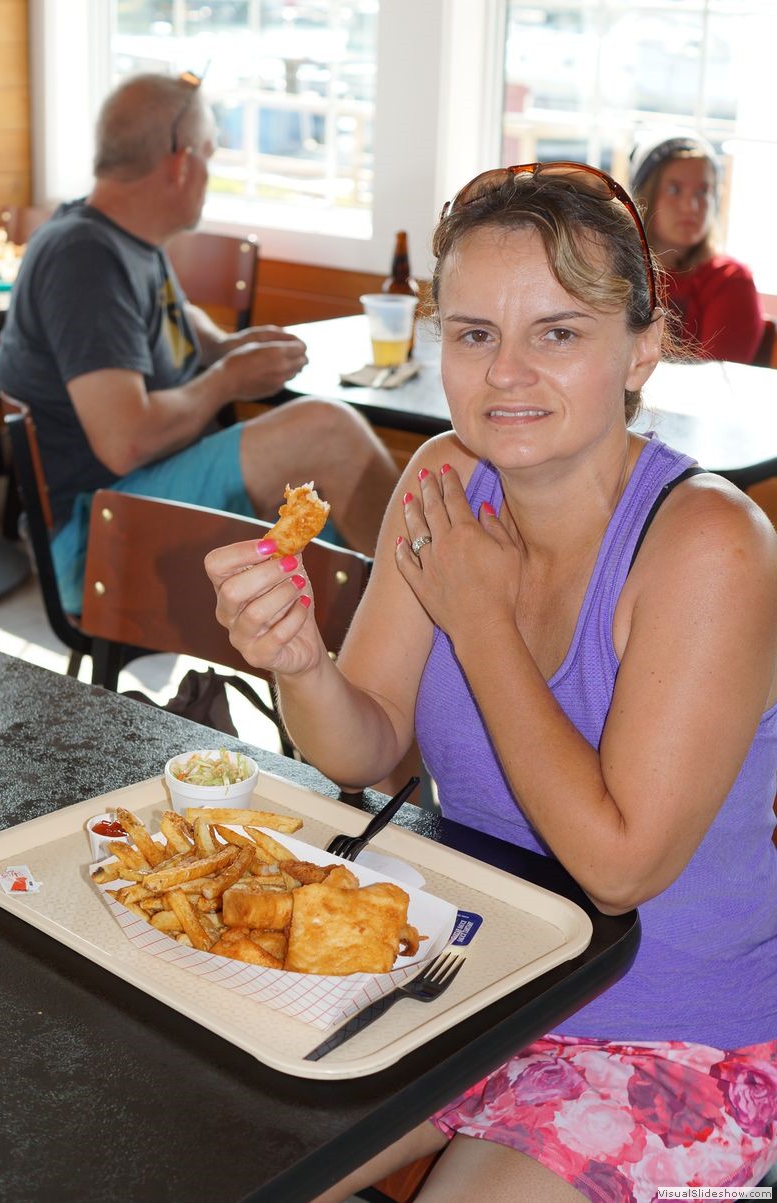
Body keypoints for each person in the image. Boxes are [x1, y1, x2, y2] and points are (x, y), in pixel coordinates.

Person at [206, 161, 777, 1201]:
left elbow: (617, 870)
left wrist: (479, 622)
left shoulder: (710, 547)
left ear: (640, 348)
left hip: (662, 1029)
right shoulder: (439, 482)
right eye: (472, 334)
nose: (504, 374)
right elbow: (364, 749)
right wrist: (299, 663)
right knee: (205, 1156)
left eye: (555, 333)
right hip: (460, 976)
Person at [0, 72, 398, 613]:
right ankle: (424, 623)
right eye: (210, 153)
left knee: (334, 518)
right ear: (182, 162)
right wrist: (227, 380)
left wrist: (229, 348)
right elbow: (125, 440)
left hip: (132, 502)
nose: (211, 170)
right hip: (94, 540)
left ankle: (380, 634)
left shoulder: (125, 240)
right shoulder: (85, 259)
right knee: (326, 432)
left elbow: (178, 325)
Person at [630, 130, 764, 364]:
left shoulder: (729, 280)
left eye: (703, 192)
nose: (691, 206)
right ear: (645, 196)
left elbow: (715, 384)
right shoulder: (619, 270)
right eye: (674, 190)